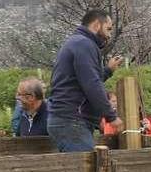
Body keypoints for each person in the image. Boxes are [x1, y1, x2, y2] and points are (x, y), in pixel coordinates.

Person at [48, 9, 123, 151]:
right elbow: (92, 85)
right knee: (84, 171)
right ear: (96, 25)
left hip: (66, 118)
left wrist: (107, 70)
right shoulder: (84, 44)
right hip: (73, 120)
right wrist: (111, 116)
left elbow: (83, 81)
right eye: (108, 29)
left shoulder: (76, 43)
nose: (109, 35)